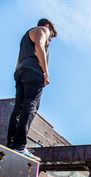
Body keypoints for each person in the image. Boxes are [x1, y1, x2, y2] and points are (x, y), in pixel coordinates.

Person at [7, 18, 57, 160]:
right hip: (33, 72)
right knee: (31, 105)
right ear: (48, 26)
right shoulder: (43, 30)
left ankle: (12, 144)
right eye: (52, 36)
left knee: (18, 107)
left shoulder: (26, 36)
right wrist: (46, 73)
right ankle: (20, 145)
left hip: (20, 71)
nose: (50, 39)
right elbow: (39, 46)